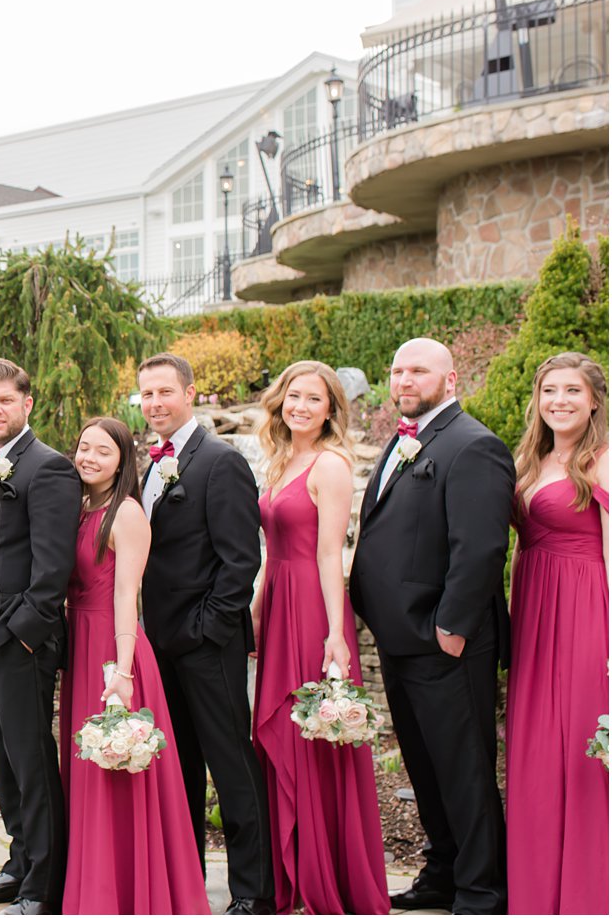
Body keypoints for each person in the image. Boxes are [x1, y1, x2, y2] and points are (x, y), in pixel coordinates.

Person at [349, 337, 513, 915]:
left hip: (446, 643)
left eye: (418, 370)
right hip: (399, 640)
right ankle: (442, 874)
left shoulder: (474, 446)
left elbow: (481, 548)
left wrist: (452, 628)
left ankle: (482, 889)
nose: (404, 380)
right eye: (396, 370)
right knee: (424, 766)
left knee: (463, 768)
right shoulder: (402, 440)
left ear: (451, 380)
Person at [249, 362, 388, 915]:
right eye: (293, 396)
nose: (301, 406)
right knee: (283, 734)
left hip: (312, 604)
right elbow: (271, 549)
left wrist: (337, 633)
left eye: (314, 399)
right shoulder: (282, 459)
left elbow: (332, 552)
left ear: (331, 409)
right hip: (280, 598)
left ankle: (324, 878)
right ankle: (290, 872)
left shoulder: (330, 465)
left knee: (312, 736)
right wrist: (258, 608)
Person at [136, 352, 273, 915]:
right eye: (146, 395)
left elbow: (241, 560)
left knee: (230, 766)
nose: (155, 404)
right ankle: (187, 879)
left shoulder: (219, 461)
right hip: (160, 645)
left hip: (207, 645)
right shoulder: (150, 464)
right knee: (182, 766)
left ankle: (253, 891)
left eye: (165, 392)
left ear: (190, 393)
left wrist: (205, 628)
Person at [59, 417, 208, 915]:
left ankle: (124, 892)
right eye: (84, 448)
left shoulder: (125, 513)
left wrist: (121, 671)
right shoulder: (79, 506)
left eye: (103, 451)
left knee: (115, 771)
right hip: (78, 642)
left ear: (123, 460)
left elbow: (127, 596)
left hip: (110, 647)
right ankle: (89, 886)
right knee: (85, 771)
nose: (90, 458)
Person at [0, 359, 77, 915]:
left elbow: (53, 571)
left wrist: (22, 635)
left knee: (30, 761)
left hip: (20, 643)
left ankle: (42, 886)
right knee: (1, 762)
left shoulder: (47, 469)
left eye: (6, 400)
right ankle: (18, 863)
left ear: (26, 404)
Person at [503, 352, 609, 915]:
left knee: (579, 747)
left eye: (572, 391)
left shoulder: (604, 460)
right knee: (538, 747)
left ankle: (585, 894)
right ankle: (538, 890)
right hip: (536, 609)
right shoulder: (534, 457)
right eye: (550, 391)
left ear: (594, 400)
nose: (559, 401)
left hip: (586, 610)